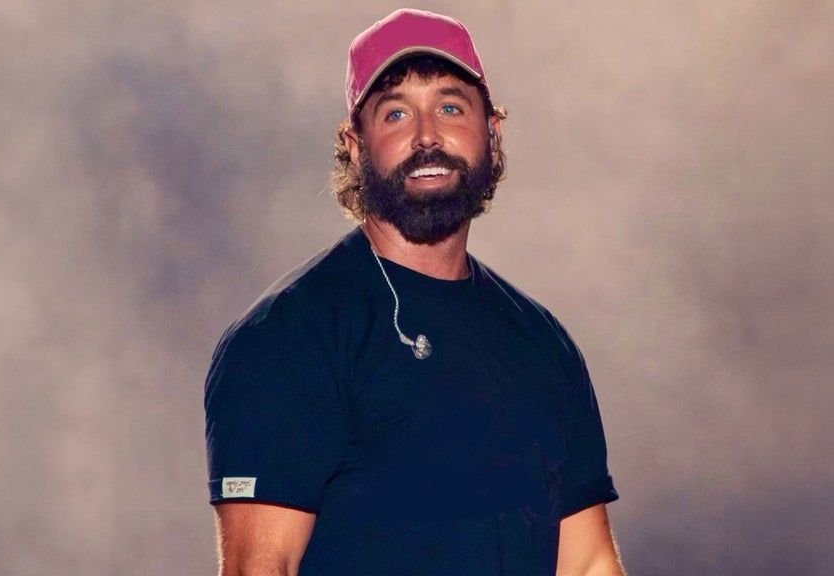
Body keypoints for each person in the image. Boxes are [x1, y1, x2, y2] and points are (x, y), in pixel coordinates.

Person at [204, 8, 625, 576]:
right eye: (396, 113)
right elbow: (260, 568)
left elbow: (589, 563)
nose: (427, 136)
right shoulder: (287, 338)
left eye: (450, 107)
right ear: (356, 146)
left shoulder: (542, 343)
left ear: (492, 133)